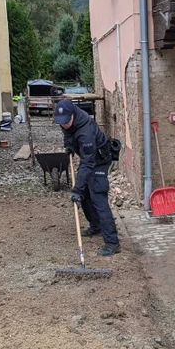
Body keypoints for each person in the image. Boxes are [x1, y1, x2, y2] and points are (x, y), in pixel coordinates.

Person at [55, 99, 120, 256]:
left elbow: (88, 163)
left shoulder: (86, 132)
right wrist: (69, 147)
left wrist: (77, 189)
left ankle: (112, 242)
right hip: (89, 160)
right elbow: (67, 134)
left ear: (73, 115)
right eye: (61, 122)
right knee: (84, 196)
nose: (64, 124)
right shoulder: (66, 121)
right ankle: (96, 225)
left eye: (66, 121)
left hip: (99, 160)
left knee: (98, 195)